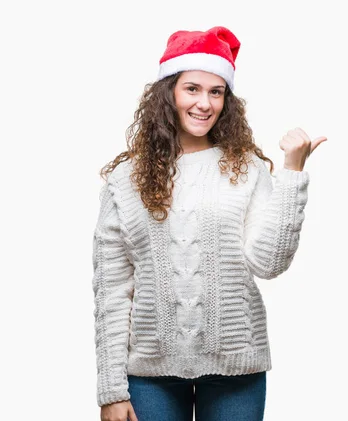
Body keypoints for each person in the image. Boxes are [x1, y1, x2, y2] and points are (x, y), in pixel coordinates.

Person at [91, 26, 327, 421]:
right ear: (168, 94)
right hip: (151, 375)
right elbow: (112, 290)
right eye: (192, 89)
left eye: (216, 92)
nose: (205, 103)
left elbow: (269, 263)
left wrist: (293, 171)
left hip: (236, 369)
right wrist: (111, 390)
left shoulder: (247, 170)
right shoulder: (125, 179)